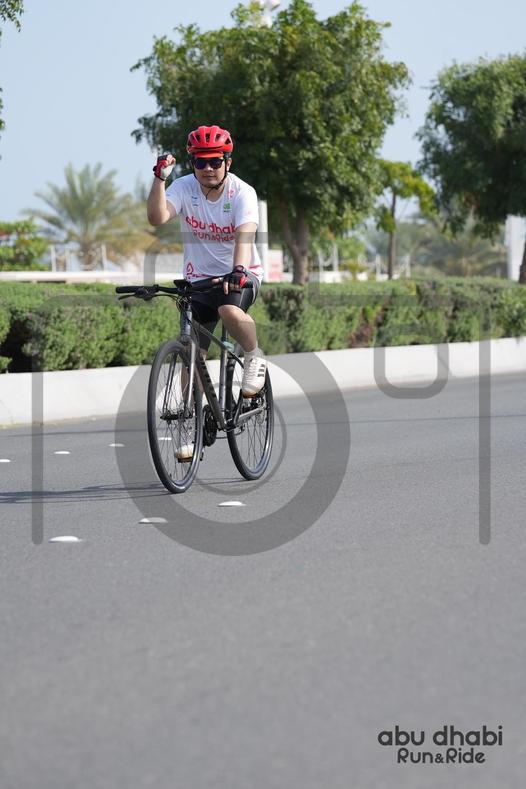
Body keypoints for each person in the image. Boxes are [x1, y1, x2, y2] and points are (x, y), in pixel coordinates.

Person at [147, 124, 267, 403]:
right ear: (192, 164)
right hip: (198, 280)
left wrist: (238, 271)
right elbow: (157, 217)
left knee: (228, 309)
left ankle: (253, 355)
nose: (208, 168)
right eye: (201, 162)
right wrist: (159, 179)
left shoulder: (242, 192)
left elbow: (245, 235)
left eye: (215, 161)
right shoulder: (183, 187)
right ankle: (193, 418)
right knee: (192, 354)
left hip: (240, 274)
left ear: (228, 163)